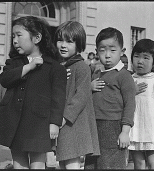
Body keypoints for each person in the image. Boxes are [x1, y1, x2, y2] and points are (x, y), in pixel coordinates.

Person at [0, 16, 67, 169]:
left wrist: (55, 123)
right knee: (19, 165)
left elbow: (58, 98)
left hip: (39, 124)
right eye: (13, 36)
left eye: (19, 35)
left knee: (37, 164)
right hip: (15, 122)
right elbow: (5, 79)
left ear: (37, 37)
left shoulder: (54, 67)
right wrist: (29, 67)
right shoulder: (15, 63)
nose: (15, 40)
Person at [84, 27, 136, 169]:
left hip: (113, 127)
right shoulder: (96, 74)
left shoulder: (124, 76)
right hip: (94, 125)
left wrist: (125, 132)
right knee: (91, 165)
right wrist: (89, 87)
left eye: (112, 50)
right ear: (96, 52)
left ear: (122, 52)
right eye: (102, 50)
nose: (107, 55)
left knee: (111, 165)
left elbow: (130, 105)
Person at [53, 21, 100, 169]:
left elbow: (81, 95)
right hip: (63, 121)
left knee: (71, 161)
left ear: (79, 45)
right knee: (62, 161)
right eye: (60, 40)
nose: (63, 45)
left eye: (69, 41)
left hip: (73, 122)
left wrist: (64, 117)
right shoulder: (60, 66)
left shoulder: (81, 67)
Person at [128, 39, 154, 169]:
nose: (140, 61)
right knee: (138, 165)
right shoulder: (129, 79)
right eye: (136, 57)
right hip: (135, 129)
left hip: (153, 130)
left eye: (146, 58)